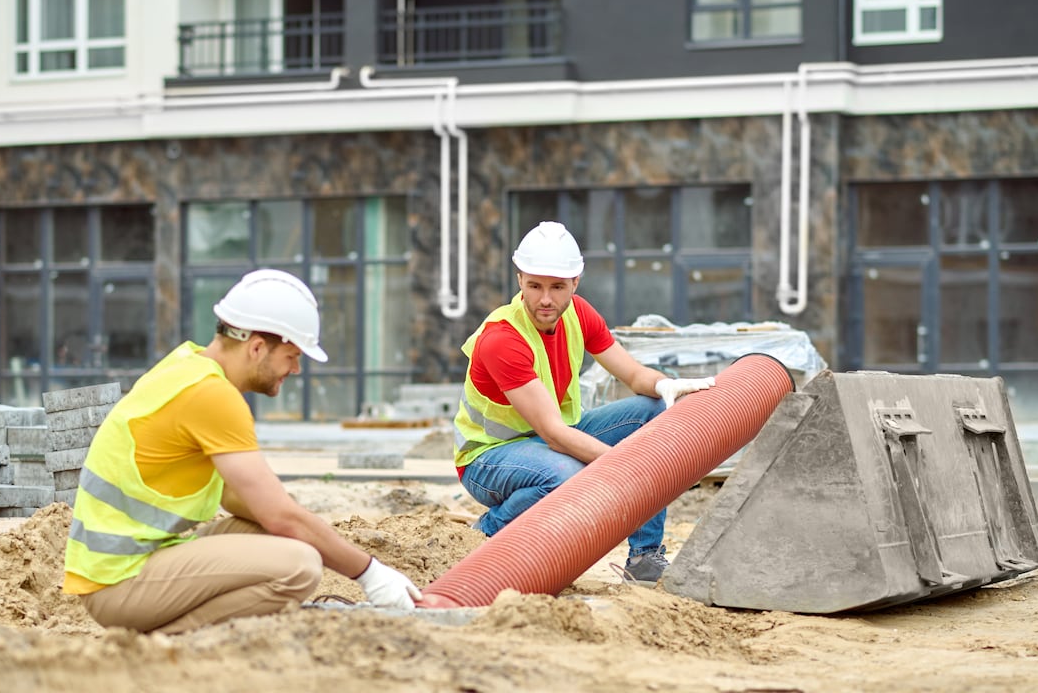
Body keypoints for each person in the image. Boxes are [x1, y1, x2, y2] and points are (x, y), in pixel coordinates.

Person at [62, 269, 421, 633]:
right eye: (292, 356)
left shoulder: (186, 366)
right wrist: (371, 573)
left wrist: (295, 520)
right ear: (256, 348)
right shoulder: (212, 396)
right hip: (119, 583)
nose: (296, 369)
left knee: (283, 535)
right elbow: (282, 517)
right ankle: (169, 638)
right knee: (299, 566)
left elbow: (244, 502)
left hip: (131, 565)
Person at [452, 221, 716, 585]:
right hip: (489, 458)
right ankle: (488, 531)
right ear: (520, 281)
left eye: (557, 287)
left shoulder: (579, 313)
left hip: (551, 438)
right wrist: (629, 466)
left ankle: (644, 558)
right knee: (567, 477)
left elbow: (634, 376)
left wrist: (665, 385)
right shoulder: (502, 339)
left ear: (575, 282)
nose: (546, 299)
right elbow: (555, 435)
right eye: (535, 286)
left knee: (654, 412)